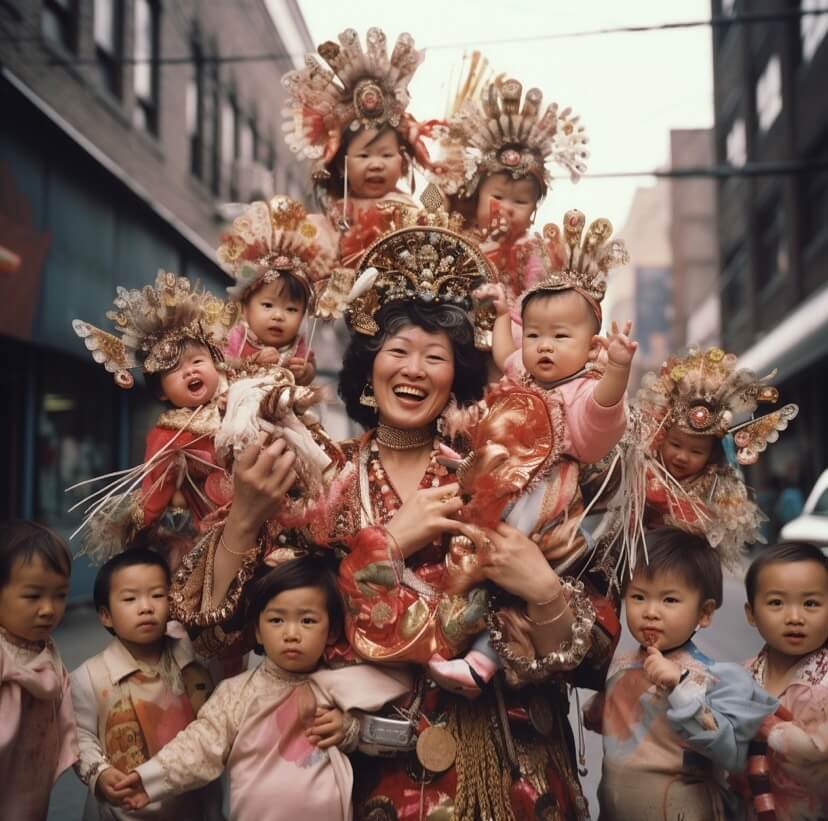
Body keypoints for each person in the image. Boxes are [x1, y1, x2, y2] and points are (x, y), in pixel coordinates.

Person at [169, 218, 623, 820]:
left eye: (434, 357)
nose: (413, 370)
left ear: (455, 374)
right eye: (398, 352)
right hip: (370, 778)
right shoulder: (321, 479)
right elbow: (223, 634)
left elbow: (592, 658)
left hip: (512, 770)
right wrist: (251, 520)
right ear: (367, 368)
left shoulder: (502, 469)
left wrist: (541, 588)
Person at [428, 209, 635, 696]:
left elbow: (605, 413)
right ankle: (457, 632)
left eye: (561, 337)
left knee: (502, 552)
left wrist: (619, 370)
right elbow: (506, 353)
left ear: (591, 346)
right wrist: (503, 313)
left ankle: (480, 659)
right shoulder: (526, 372)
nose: (543, 347)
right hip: (504, 475)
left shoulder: (585, 392)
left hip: (545, 492)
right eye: (537, 334)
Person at [117, 556, 411, 821]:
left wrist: (352, 728)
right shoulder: (238, 693)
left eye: (307, 620)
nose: (291, 634)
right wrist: (150, 780)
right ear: (257, 629)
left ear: (332, 630)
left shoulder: (342, 687)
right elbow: (199, 745)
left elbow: (403, 735)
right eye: (276, 620)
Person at [584, 527, 776, 820]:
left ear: (705, 613)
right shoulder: (618, 665)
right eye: (638, 597)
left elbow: (732, 755)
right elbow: (607, 718)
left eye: (669, 600)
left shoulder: (715, 678)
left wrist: (680, 687)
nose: (650, 612)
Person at [72, 270, 234, 569]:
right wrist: (139, 527)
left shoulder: (238, 399)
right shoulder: (169, 433)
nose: (189, 371)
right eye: (174, 369)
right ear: (160, 391)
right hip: (215, 530)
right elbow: (155, 491)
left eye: (198, 361)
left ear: (217, 363)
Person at [602, 345, 800, 574]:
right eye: (675, 445)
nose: (683, 456)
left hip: (687, 571)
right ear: (661, 438)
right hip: (638, 566)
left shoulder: (719, 489)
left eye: (696, 452)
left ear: (711, 456)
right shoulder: (639, 469)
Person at [436, 69, 589, 346]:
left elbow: (536, 302)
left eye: (520, 201)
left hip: (508, 339)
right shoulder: (457, 236)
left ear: (533, 211)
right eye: (498, 196)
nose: (507, 208)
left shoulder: (531, 251)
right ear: (476, 193)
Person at [280, 27, 442, 288]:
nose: (376, 163)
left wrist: (440, 188)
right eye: (364, 155)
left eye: (386, 154)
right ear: (342, 166)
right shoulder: (335, 214)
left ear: (401, 162)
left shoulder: (407, 207)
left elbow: (435, 222)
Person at [71, 548, 221, 820]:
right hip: (122, 812)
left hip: (192, 807)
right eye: (130, 598)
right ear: (106, 615)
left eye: (157, 595)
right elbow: (80, 737)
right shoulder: (89, 677)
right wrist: (99, 773)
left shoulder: (196, 663)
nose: (146, 607)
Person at [738, 542, 828, 821]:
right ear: (751, 613)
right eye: (776, 602)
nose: (794, 618)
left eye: (810, 603)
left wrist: (771, 729)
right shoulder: (744, 675)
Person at [0, 520, 78, 821]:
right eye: (33, 596)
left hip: (30, 779)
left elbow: (69, 716)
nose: (49, 609)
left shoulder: (48, 651)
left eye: (60, 595)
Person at [219, 195, 333, 384]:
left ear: (304, 314)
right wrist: (251, 362)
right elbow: (221, 363)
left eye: (291, 309)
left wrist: (305, 372)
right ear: (245, 308)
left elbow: (310, 370)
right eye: (267, 305)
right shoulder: (239, 335)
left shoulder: (297, 346)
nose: (279, 316)